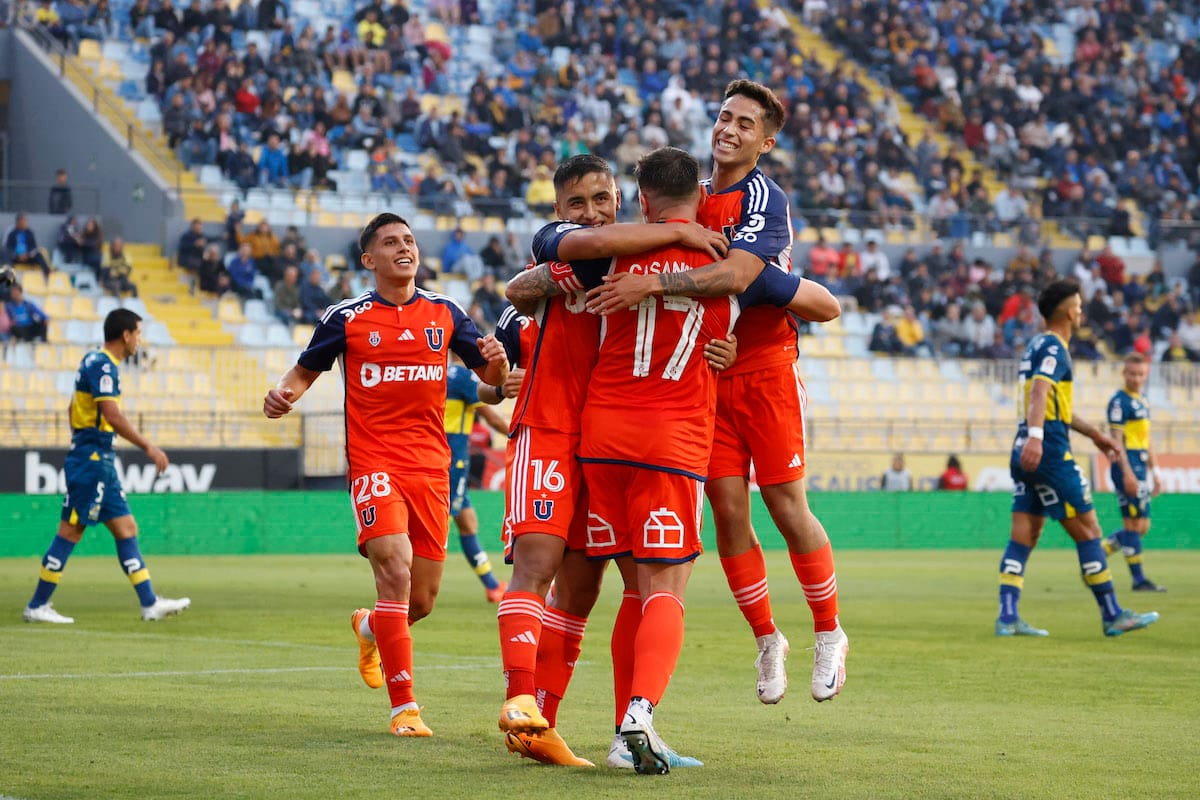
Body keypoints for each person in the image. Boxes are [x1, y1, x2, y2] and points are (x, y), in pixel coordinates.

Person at [573, 147, 837, 775]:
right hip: (673, 439)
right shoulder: (727, 261)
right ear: (700, 198)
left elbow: (535, 271)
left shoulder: (608, 250)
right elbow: (822, 303)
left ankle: (544, 711)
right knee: (665, 585)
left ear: (640, 200)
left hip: (601, 440)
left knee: (619, 590)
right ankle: (639, 715)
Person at [495, 154, 729, 769]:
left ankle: (600, 729)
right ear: (558, 211)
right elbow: (515, 293)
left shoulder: (630, 258)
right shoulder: (571, 249)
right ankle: (522, 700)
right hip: (550, 426)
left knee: (595, 586)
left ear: (626, 198)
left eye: (603, 198)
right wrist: (682, 230)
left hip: (599, 441)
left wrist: (721, 349)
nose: (593, 211)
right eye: (578, 202)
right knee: (542, 565)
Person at [262, 214, 507, 738]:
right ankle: (406, 709)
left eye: (410, 240)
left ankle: (370, 625)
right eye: (391, 242)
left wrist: (497, 360)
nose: (405, 248)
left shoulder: (446, 312)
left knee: (420, 601)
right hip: (375, 464)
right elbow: (304, 371)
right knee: (394, 570)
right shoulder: (345, 317)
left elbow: (491, 377)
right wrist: (283, 394)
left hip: (431, 469)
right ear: (369, 260)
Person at [996, 279, 1160, 638]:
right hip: (1049, 451)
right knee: (1089, 531)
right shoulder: (1056, 346)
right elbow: (1041, 392)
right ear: (1070, 312)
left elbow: (1057, 407)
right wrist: (1039, 439)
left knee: (1024, 534)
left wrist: (1098, 436)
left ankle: (1007, 616)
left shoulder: (1036, 345)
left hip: (1022, 447)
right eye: (1080, 307)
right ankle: (1113, 613)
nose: (1082, 312)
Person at [22, 309, 190, 624]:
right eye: (138, 333)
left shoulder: (93, 361)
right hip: (92, 460)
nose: (139, 340)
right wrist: (148, 447)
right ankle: (37, 605)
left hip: (100, 459)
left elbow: (72, 408)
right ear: (125, 335)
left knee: (127, 528)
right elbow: (112, 415)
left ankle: (150, 603)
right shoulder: (103, 366)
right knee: (71, 529)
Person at [444, 356, 509, 603]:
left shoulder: (432, 372)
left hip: (440, 457)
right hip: (452, 460)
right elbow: (491, 417)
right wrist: (519, 432)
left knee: (467, 523)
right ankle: (410, 581)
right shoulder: (462, 377)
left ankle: (492, 585)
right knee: (440, 525)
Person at [1102, 354, 1166, 592]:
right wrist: (1127, 473)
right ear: (1124, 374)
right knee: (1131, 524)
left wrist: (1156, 471)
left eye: (1140, 374)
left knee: (1141, 527)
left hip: (1140, 466)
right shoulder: (1119, 403)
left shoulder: (1144, 401)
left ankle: (1100, 553)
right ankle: (1138, 580)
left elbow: (1147, 440)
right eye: (1131, 374)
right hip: (1126, 466)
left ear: (1146, 374)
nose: (1136, 378)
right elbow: (1116, 441)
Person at [5, 213, 52, 279]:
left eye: (25, 221)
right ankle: (9, 278)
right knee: (6, 257)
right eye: (23, 221)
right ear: (17, 222)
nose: (25, 223)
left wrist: (28, 254)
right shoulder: (12, 234)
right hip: (16, 257)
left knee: (39, 254)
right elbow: (8, 248)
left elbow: (34, 247)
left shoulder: (30, 233)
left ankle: (47, 275)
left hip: (28, 257)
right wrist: (17, 255)